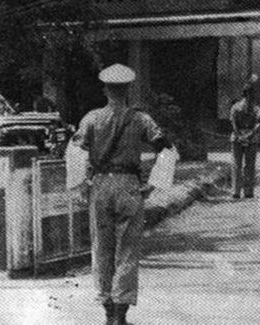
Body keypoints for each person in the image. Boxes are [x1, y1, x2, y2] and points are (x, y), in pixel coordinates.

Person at [73, 63, 169, 325]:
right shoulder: (141, 119)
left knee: (101, 249)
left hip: (101, 185)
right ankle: (120, 316)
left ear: (105, 89)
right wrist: (153, 183)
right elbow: (167, 149)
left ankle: (107, 311)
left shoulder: (91, 118)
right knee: (127, 251)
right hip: (129, 185)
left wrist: (80, 185)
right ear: (128, 89)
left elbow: (74, 152)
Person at [230, 77, 260, 199]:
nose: (249, 97)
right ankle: (236, 191)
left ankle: (248, 191)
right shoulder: (236, 108)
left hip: (249, 139)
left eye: (251, 95)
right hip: (239, 139)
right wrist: (242, 136)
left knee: (249, 165)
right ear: (244, 95)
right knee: (237, 165)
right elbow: (233, 124)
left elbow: (258, 123)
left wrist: (247, 135)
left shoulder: (256, 108)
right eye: (248, 94)